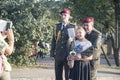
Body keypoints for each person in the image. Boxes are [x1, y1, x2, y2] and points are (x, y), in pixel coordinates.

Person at [50, 8, 75, 80]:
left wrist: (71, 55)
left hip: (67, 54)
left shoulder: (71, 27)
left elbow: (72, 42)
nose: (63, 16)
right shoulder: (57, 27)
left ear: (69, 16)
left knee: (68, 75)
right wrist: (52, 54)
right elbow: (54, 41)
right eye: (62, 15)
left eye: (65, 15)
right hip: (58, 54)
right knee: (58, 74)